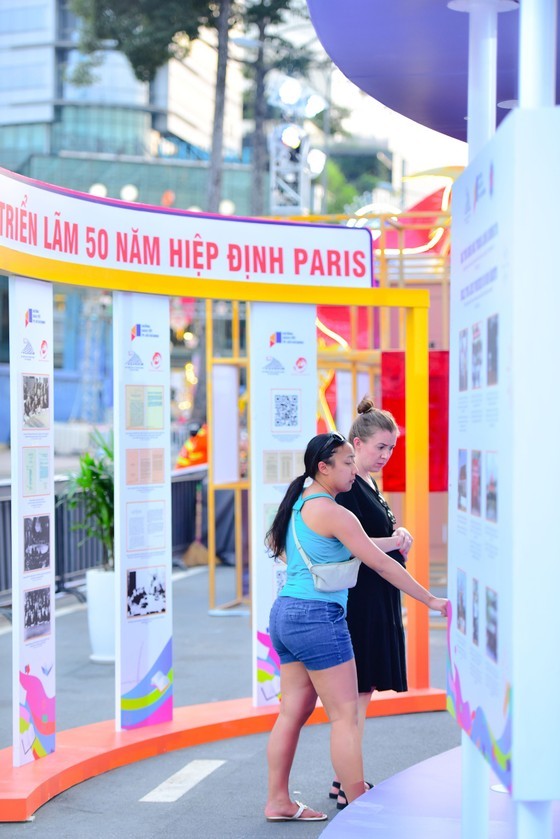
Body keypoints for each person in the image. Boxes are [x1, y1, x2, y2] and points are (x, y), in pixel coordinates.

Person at [264, 432, 448, 822]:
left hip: (285, 615)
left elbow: (363, 548)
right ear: (323, 467)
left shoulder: (299, 504)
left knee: (291, 714)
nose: (353, 469)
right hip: (318, 619)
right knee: (346, 718)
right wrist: (431, 600)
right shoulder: (335, 512)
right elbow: (382, 563)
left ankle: (278, 800)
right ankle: (359, 811)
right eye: (346, 462)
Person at [330, 396, 412, 809]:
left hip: (377, 595)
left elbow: (376, 534)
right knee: (357, 698)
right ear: (356, 444)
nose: (386, 455)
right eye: (380, 446)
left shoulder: (367, 484)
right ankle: (349, 785)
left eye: (391, 448)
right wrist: (393, 541)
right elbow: (352, 546)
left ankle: (342, 780)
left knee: (363, 693)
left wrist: (399, 535)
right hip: (360, 600)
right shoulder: (345, 488)